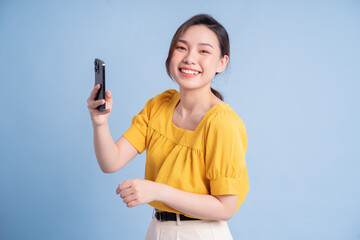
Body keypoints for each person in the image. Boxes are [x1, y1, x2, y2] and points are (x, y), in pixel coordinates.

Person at [87, 13, 249, 240]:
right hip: (157, 229)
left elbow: (226, 208)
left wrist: (158, 190)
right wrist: (99, 123)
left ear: (222, 63)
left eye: (204, 51)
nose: (190, 58)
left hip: (201, 233)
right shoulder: (160, 106)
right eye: (181, 48)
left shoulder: (222, 122)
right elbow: (110, 162)